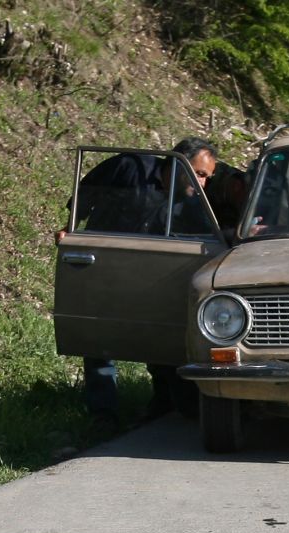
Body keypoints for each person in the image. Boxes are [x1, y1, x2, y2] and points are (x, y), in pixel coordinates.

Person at [78, 138, 219, 426]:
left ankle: (165, 404)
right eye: (200, 174)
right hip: (107, 265)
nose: (203, 184)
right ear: (179, 163)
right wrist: (71, 228)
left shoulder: (189, 204)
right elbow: (85, 191)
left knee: (161, 335)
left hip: (149, 277)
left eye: (208, 178)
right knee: (99, 340)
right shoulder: (131, 167)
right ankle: (102, 415)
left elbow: (207, 235)